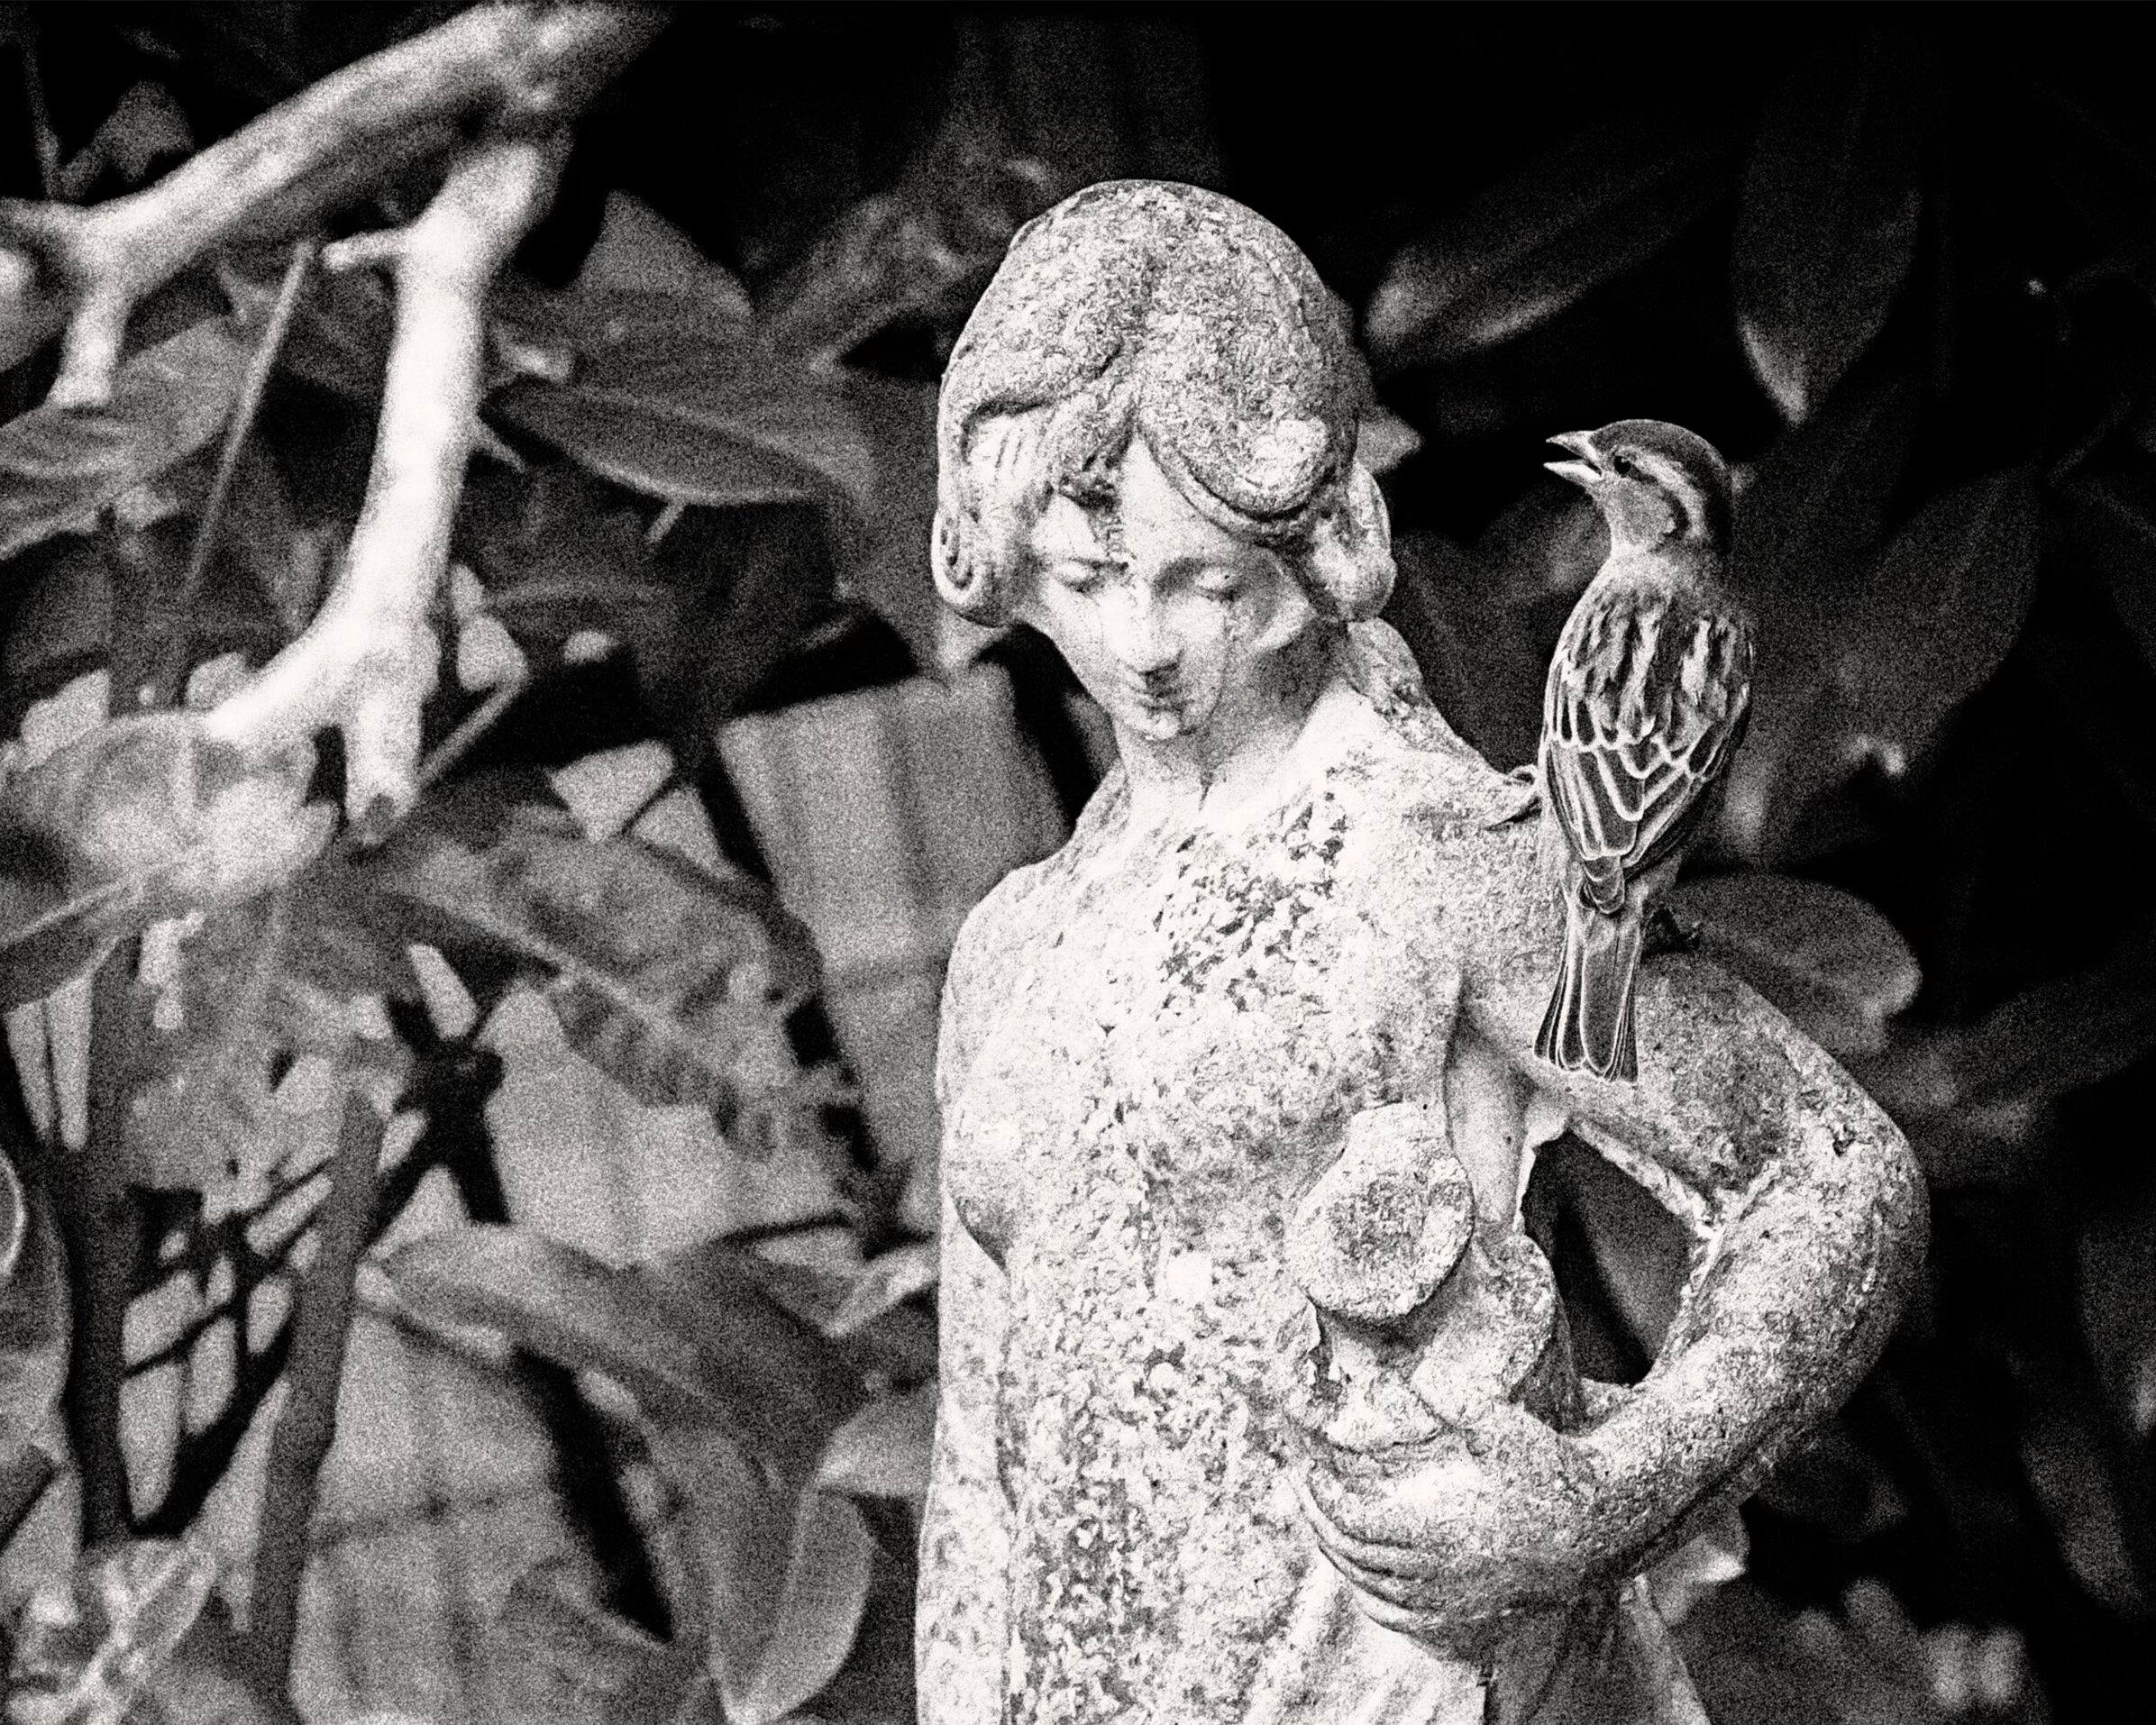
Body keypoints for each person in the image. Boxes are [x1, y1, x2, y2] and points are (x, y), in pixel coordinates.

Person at [919, 179, 1923, 1725]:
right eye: (1087, 579)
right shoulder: (1014, 947)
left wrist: (1602, 1496)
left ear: (1323, 539)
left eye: (1203, 580)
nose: (1142, 647)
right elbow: (977, 1469)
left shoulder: (1433, 854)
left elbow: (1831, 1178)